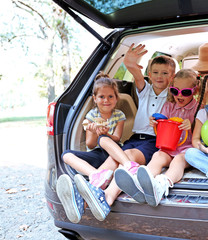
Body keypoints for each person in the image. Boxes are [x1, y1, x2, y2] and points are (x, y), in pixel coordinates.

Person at [56, 43, 177, 223]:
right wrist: (129, 62)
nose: (160, 76)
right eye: (156, 72)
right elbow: (135, 72)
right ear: (149, 75)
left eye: (165, 73)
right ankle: (86, 199)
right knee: (114, 158)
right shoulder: (145, 91)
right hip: (134, 138)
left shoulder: (173, 95)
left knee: (126, 156)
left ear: (172, 76)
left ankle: (104, 197)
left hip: (153, 141)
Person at [114, 69, 200, 207]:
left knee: (178, 160)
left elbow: (201, 135)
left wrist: (193, 125)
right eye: (174, 90)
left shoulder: (199, 108)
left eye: (185, 92)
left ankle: (162, 184)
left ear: (195, 91)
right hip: (168, 147)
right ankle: (140, 183)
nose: (179, 95)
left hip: (187, 150)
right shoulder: (169, 105)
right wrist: (154, 122)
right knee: (157, 156)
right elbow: (162, 123)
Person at [61, 72, 126, 190]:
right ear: (95, 99)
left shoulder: (119, 115)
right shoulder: (91, 116)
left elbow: (117, 138)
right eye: (102, 97)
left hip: (112, 153)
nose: (106, 100)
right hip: (96, 154)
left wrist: (106, 134)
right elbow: (90, 144)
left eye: (110, 96)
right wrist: (95, 132)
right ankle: (96, 174)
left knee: (104, 139)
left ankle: (101, 178)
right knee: (66, 155)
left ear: (116, 99)